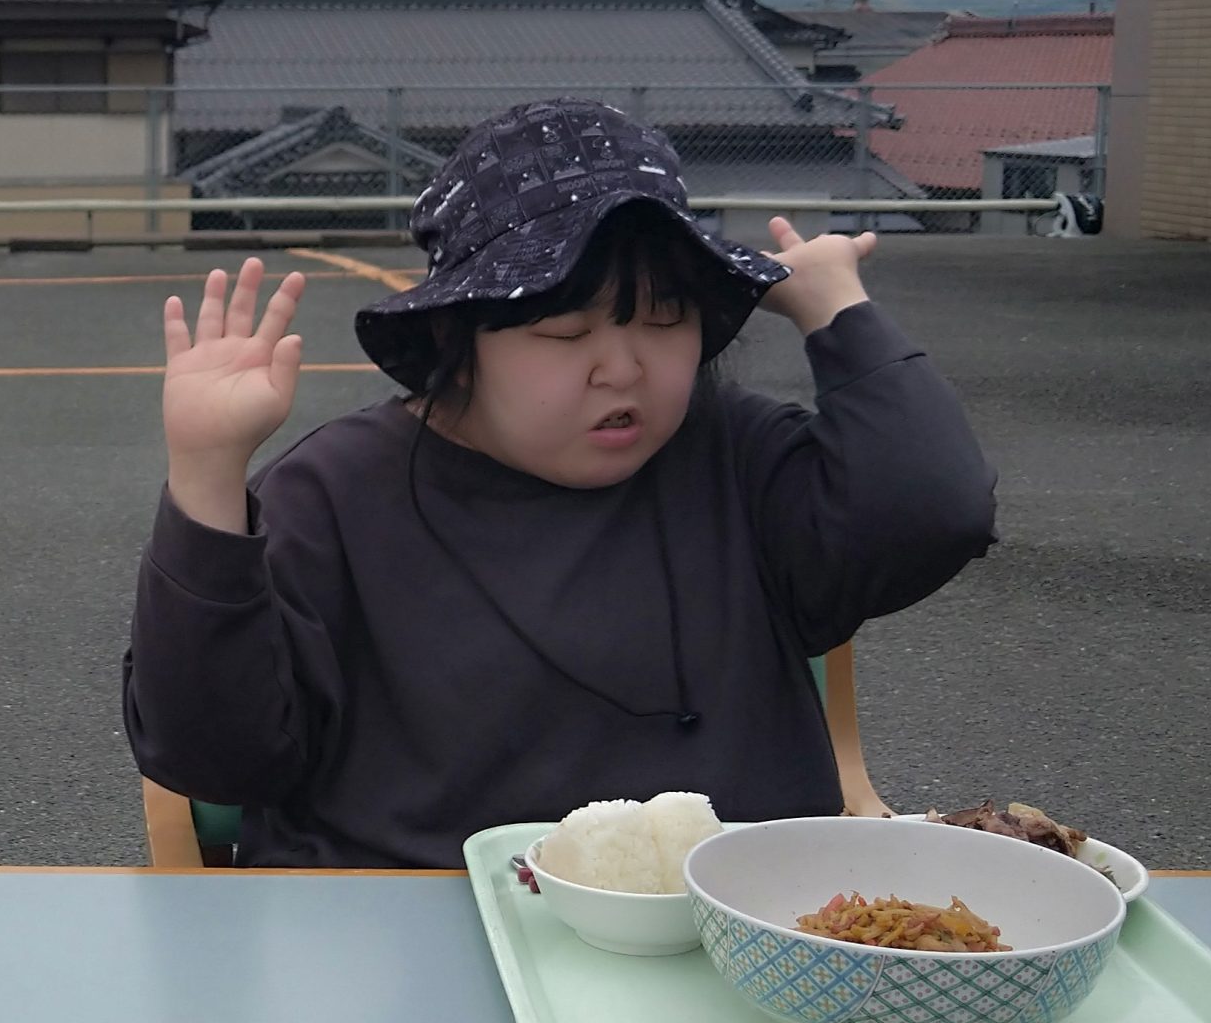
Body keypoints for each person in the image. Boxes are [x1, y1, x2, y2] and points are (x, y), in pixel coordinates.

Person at [123, 98, 996, 868]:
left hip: (725, 924)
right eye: (566, 333)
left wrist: (836, 310)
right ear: (457, 337)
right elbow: (213, 755)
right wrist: (206, 472)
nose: (624, 368)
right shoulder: (335, 496)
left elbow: (934, 512)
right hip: (412, 923)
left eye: (665, 319)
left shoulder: (734, 455)